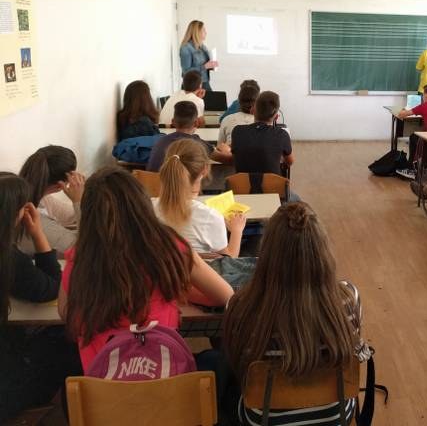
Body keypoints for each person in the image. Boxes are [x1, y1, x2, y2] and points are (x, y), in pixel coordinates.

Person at [59, 167, 234, 370]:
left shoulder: (80, 256)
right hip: (164, 378)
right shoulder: (169, 245)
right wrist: (176, 290)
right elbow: (225, 295)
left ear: (88, 213)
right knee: (216, 361)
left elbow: (65, 312)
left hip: (102, 382)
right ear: (143, 204)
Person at [222, 202, 371, 425]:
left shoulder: (240, 307)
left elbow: (239, 367)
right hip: (336, 414)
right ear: (323, 252)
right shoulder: (350, 298)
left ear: (266, 254)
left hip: (263, 419)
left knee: (221, 378)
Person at [0, 173, 82, 423]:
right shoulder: (9, 259)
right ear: (17, 213)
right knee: (71, 343)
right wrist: (38, 234)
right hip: (6, 389)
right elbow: (52, 288)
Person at [155, 139, 246, 257]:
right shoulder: (209, 216)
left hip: (159, 268)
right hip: (198, 269)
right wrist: (236, 231)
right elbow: (229, 259)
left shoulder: (146, 208)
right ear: (204, 170)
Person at [18, 145, 85, 255]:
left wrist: (80, 200)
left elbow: (70, 215)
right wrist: (79, 200)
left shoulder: (38, 198)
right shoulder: (31, 219)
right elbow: (87, 248)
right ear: (61, 185)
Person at [224, 91, 294, 179]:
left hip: (242, 186)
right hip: (272, 186)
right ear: (276, 117)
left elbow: (235, 159)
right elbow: (290, 162)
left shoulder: (237, 131)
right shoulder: (282, 134)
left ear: (252, 110)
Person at [147, 101, 204, 172]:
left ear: (173, 122)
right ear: (196, 123)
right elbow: (217, 156)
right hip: (180, 179)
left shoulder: (160, 141)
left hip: (151, 178)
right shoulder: (198, 144)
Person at [179, 19, 217, 91]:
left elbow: (205, 65)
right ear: (197, 32)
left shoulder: (202, 47)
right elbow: (186, 72)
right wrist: (205, 66)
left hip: (204, 83)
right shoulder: (185, 48)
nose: (206, 32)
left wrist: (211, 66)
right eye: (203, 30)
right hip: (192, 85)